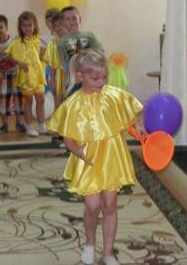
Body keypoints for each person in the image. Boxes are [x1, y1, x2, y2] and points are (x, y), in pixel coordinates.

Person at [47, 50, 143, 265]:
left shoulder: (113, 96)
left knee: (110, 205)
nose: (101, 82)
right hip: (88, 160)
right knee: (92, 206)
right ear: (80, 76)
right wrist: (77, 151)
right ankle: (90, 243)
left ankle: (108, 253)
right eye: (95, 78)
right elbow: (68, 138)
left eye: (104, 77)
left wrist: (138, 126)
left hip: (112, 158)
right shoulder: (73, 104)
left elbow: (131, 113)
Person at [6, 11, 46, 137]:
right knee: (28, 101)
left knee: (41, 99)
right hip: (26, 75)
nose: (27, 28)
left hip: (38, 75)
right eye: (24, 26)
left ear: (34, 25)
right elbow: (8, 55)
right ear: (20, 27)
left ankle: (42, 126)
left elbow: (42, 55)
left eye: (30, 25)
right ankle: (29, 126)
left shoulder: (38, 40)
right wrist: (19, 63)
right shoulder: (17, 42)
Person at [0, 14, 26, 135]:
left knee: (18, 98)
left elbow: (22, 54)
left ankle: (20, 123)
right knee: (4, 99)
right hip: (4, 76)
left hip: (17, 75)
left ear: (7, 27)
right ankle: (4, 125)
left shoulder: (14, 40)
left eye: (1, 27)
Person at [42, 11, 67, 110]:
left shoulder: (73, 40)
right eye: (55, 25)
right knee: (58, 104)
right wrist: (52, 80)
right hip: (58, 77)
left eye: (60, 24)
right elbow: (52, 64)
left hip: (73, 77)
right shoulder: (52, 44)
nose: (58, 27)